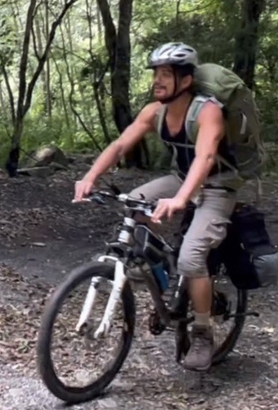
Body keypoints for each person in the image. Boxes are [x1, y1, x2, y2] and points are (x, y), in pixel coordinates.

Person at [72, 41, 241, 372]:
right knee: (134, 204)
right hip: (181, 178)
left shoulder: (208, 111)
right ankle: (162, 279)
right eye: (156, 74)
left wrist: (180, 199)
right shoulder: (155, 111)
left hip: (218, 186)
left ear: (186, 80)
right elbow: (121, 144)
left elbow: (206, 157)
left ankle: (203, 332)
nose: (158, 81)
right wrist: (90, 175)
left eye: (166, 75)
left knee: (192, 256)